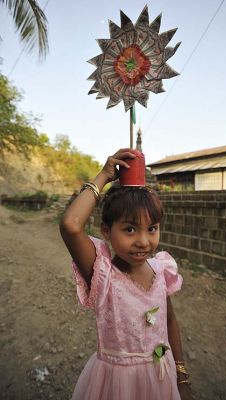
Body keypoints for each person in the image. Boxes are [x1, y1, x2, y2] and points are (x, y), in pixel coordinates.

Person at [60, 148, 194, 400]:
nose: (143, 241)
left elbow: (170, 321)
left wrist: (182, 376)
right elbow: (70, 224)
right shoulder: (102, 275)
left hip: (161, 381)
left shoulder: (160, 269)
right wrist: (102, 176)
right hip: (115, 385)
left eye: (152, 228)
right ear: (107, 231)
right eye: (130, 229)